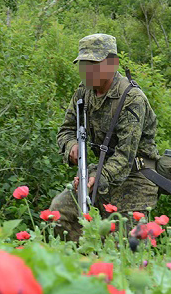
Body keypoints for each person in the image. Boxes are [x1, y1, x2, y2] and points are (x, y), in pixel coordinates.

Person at [50, 33, 160, 241]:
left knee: (126, 249)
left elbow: (125, 155)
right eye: (84, 65)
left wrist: (97, 178)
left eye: (94, 64)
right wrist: (71, 146)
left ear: (111, 64)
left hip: (134, 179)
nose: (87, 71)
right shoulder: (83, 94)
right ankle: (82, 262)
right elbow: (65, 130)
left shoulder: (131, 99)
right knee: (59, 214)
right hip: (97, 173)